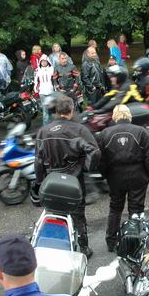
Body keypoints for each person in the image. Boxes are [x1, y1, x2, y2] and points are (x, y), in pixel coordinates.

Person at [35, 95, 100, 258]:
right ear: (71, 110)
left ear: (57, 111)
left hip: (52, 181)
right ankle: (83, 248)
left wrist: (40, 181)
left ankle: (55, 247)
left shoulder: (43, 131)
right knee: (78, 215)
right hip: (74, 181)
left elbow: (38, 161)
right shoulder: (79, 130)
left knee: (53, 213)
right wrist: (85, 167)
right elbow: (95, 152)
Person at [98, 105, 149, 252]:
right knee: (136, 209)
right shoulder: (141, 132)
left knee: (115, 208)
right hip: (138, 175)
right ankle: (133, 242)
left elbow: (101, 159)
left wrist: (105, 175)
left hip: (115, 176)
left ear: (114, 116)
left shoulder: (105, 134)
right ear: (129, 116)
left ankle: (111, 241)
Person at [34, 55, 55, 125]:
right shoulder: (38, 70)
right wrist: (36, 89)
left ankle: (53, 125)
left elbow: (54, 79)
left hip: (51, 91)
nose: (44, 62)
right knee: (45, 110)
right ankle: (46, 126)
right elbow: (36, 81)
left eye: (45, 61)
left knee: (52, 109)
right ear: (40, 62)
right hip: (42, 92)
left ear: (47, 61)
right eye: (42, 61)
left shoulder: (52, 69)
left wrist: (55, 88)